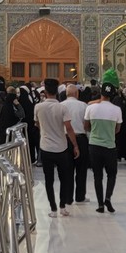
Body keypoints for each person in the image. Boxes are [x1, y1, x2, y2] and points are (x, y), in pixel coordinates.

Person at [34, 78, 78, 216]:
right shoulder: (62, 107)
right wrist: (75, 145)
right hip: (61, 147)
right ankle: (62, 206)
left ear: (45, 92)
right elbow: (69, 128)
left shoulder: (38, 107)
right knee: (64, 178)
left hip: (46, 147)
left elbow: (36, 123)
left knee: (49, 180)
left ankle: (53, 209)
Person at [85, 83, 123, 213]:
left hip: (94, 145)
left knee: (97, 176)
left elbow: (86, 126)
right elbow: (117, 129)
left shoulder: (91, 108)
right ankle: (108, 198)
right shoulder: (117, 110)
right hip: (110, 146)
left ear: (100, 93)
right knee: (112, 174)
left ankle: (100, 205)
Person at [63, 85, 90, 204]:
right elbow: (87, 124)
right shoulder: (84, 105)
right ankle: (80, 196)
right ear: (76, 94)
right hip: (81, 138)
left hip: (65, 139)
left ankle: (68, 198)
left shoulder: (60, 105)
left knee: (67, 169)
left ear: (66, 94)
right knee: (81, 169)